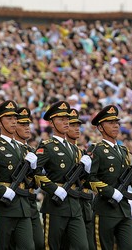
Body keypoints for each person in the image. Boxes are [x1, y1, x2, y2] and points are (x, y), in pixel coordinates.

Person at [87, 104, 132, 250]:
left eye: (116, 123)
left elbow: (130, 179)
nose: (115, 126)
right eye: (110, 123)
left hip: (124, 209)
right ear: (100, 127)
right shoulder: (97, 149)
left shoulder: (124, 150)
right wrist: (111, 192)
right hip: (105, 208)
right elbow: (91, 179)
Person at [35, 100, 89, 250]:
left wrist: (87, 170)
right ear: (52, 123)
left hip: (74, 204)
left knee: (82, 246)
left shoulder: (75, 149)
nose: (66, 122)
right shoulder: (47, 146)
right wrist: (53, 188)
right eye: (61, 119)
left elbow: (83, 178)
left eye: (67, 119)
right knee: (53, 246)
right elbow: (35, 172)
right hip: (56, 204)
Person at [0, 100, 36, 249]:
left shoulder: (25, 149)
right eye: (9, 119)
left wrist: (35, 169)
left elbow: (33, 181)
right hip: (2, 206)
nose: (13, 122)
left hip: (23, 206)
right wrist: (1, 190)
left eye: (15, 119)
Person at [15, 106, 44, 250]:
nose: (27, 128)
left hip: (30, 200)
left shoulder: (32, 151)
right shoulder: (6, 148)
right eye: (22, 124)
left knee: (39, 242)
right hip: (15, 200)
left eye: (28, 124)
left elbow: (39, 179)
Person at [67, 107, 94, 246]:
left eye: (78, 125)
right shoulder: (64, 151)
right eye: (72, 125)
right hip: (69, 203)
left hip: (84, 204)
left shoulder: (81, 152)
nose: (77, 128)